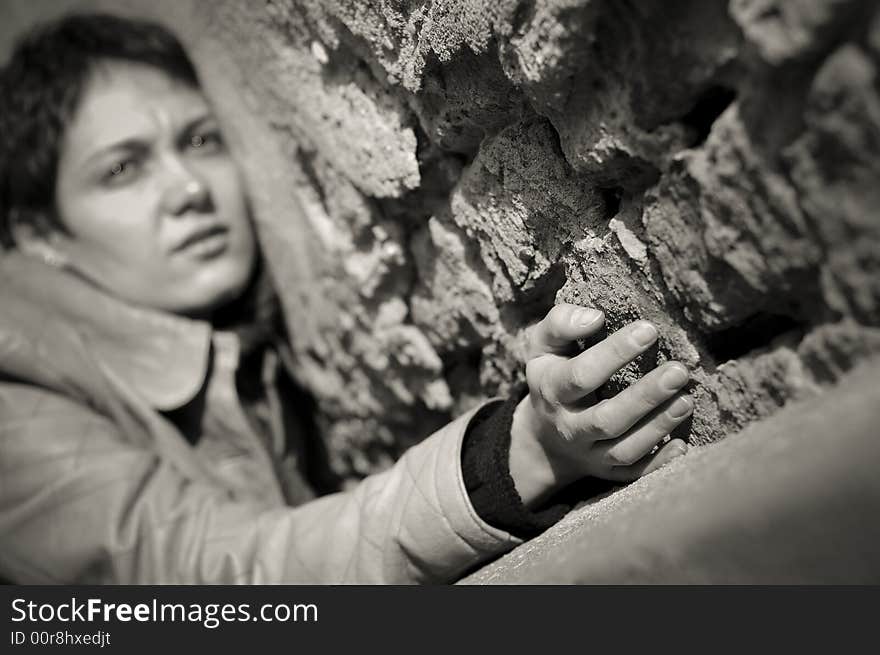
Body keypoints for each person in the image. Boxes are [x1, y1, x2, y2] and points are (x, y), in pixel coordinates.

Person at [0, 13, 693, 584]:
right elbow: (217, 583)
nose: (188, 188)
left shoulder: (249, 353)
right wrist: (519, 453)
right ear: (39, 234)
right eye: (122, 169)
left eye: (201, 140)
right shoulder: (13, 397)